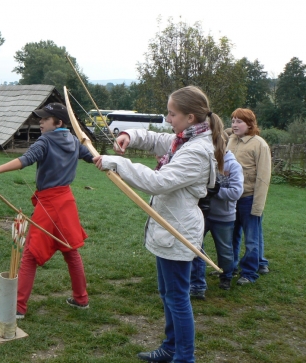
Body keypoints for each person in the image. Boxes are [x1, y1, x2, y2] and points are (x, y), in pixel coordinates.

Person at [94, 86, 224, 363]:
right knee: (168, 294)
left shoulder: (197, 151)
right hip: (169, 228)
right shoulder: (185, 140)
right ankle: (170, 347)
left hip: (178, 232)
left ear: (190, 117)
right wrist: (129, 135)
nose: (167, 118)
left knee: (177, 298)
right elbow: (156, 140)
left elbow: (158, 182)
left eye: (172, 113)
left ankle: (183, 357)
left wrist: (116, 162)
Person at [0, 103, 93, 318]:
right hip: (66, 201)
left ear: (58, 122)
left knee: (30, 254)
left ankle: (18, 307)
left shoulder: (47, 140)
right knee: (70, 251)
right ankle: (81, 299)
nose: (40, 122)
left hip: (51, 204)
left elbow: (25, 160)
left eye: (45, 119)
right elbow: (92, 157)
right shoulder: (73, 140)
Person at [190, 136, 244, 299]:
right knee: (194, 245)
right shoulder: (207, 161)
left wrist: (216, 191)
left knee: (225, 249)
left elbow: (236, 192)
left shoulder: (233, 166)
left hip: (224, 216)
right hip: (203, 213)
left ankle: (226, 276)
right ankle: (195, 278)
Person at [227, 108, 271, 285]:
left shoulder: (259, 144)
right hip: (231, 198)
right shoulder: (230, 140)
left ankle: (249, 273)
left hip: (249, 198)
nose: (234, 125)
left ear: (250, 124)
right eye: (233, 121)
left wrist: (257, 205)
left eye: (239, 121)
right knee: (231, 237)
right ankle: (231, 267)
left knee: (252, 239)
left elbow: (263, 177)